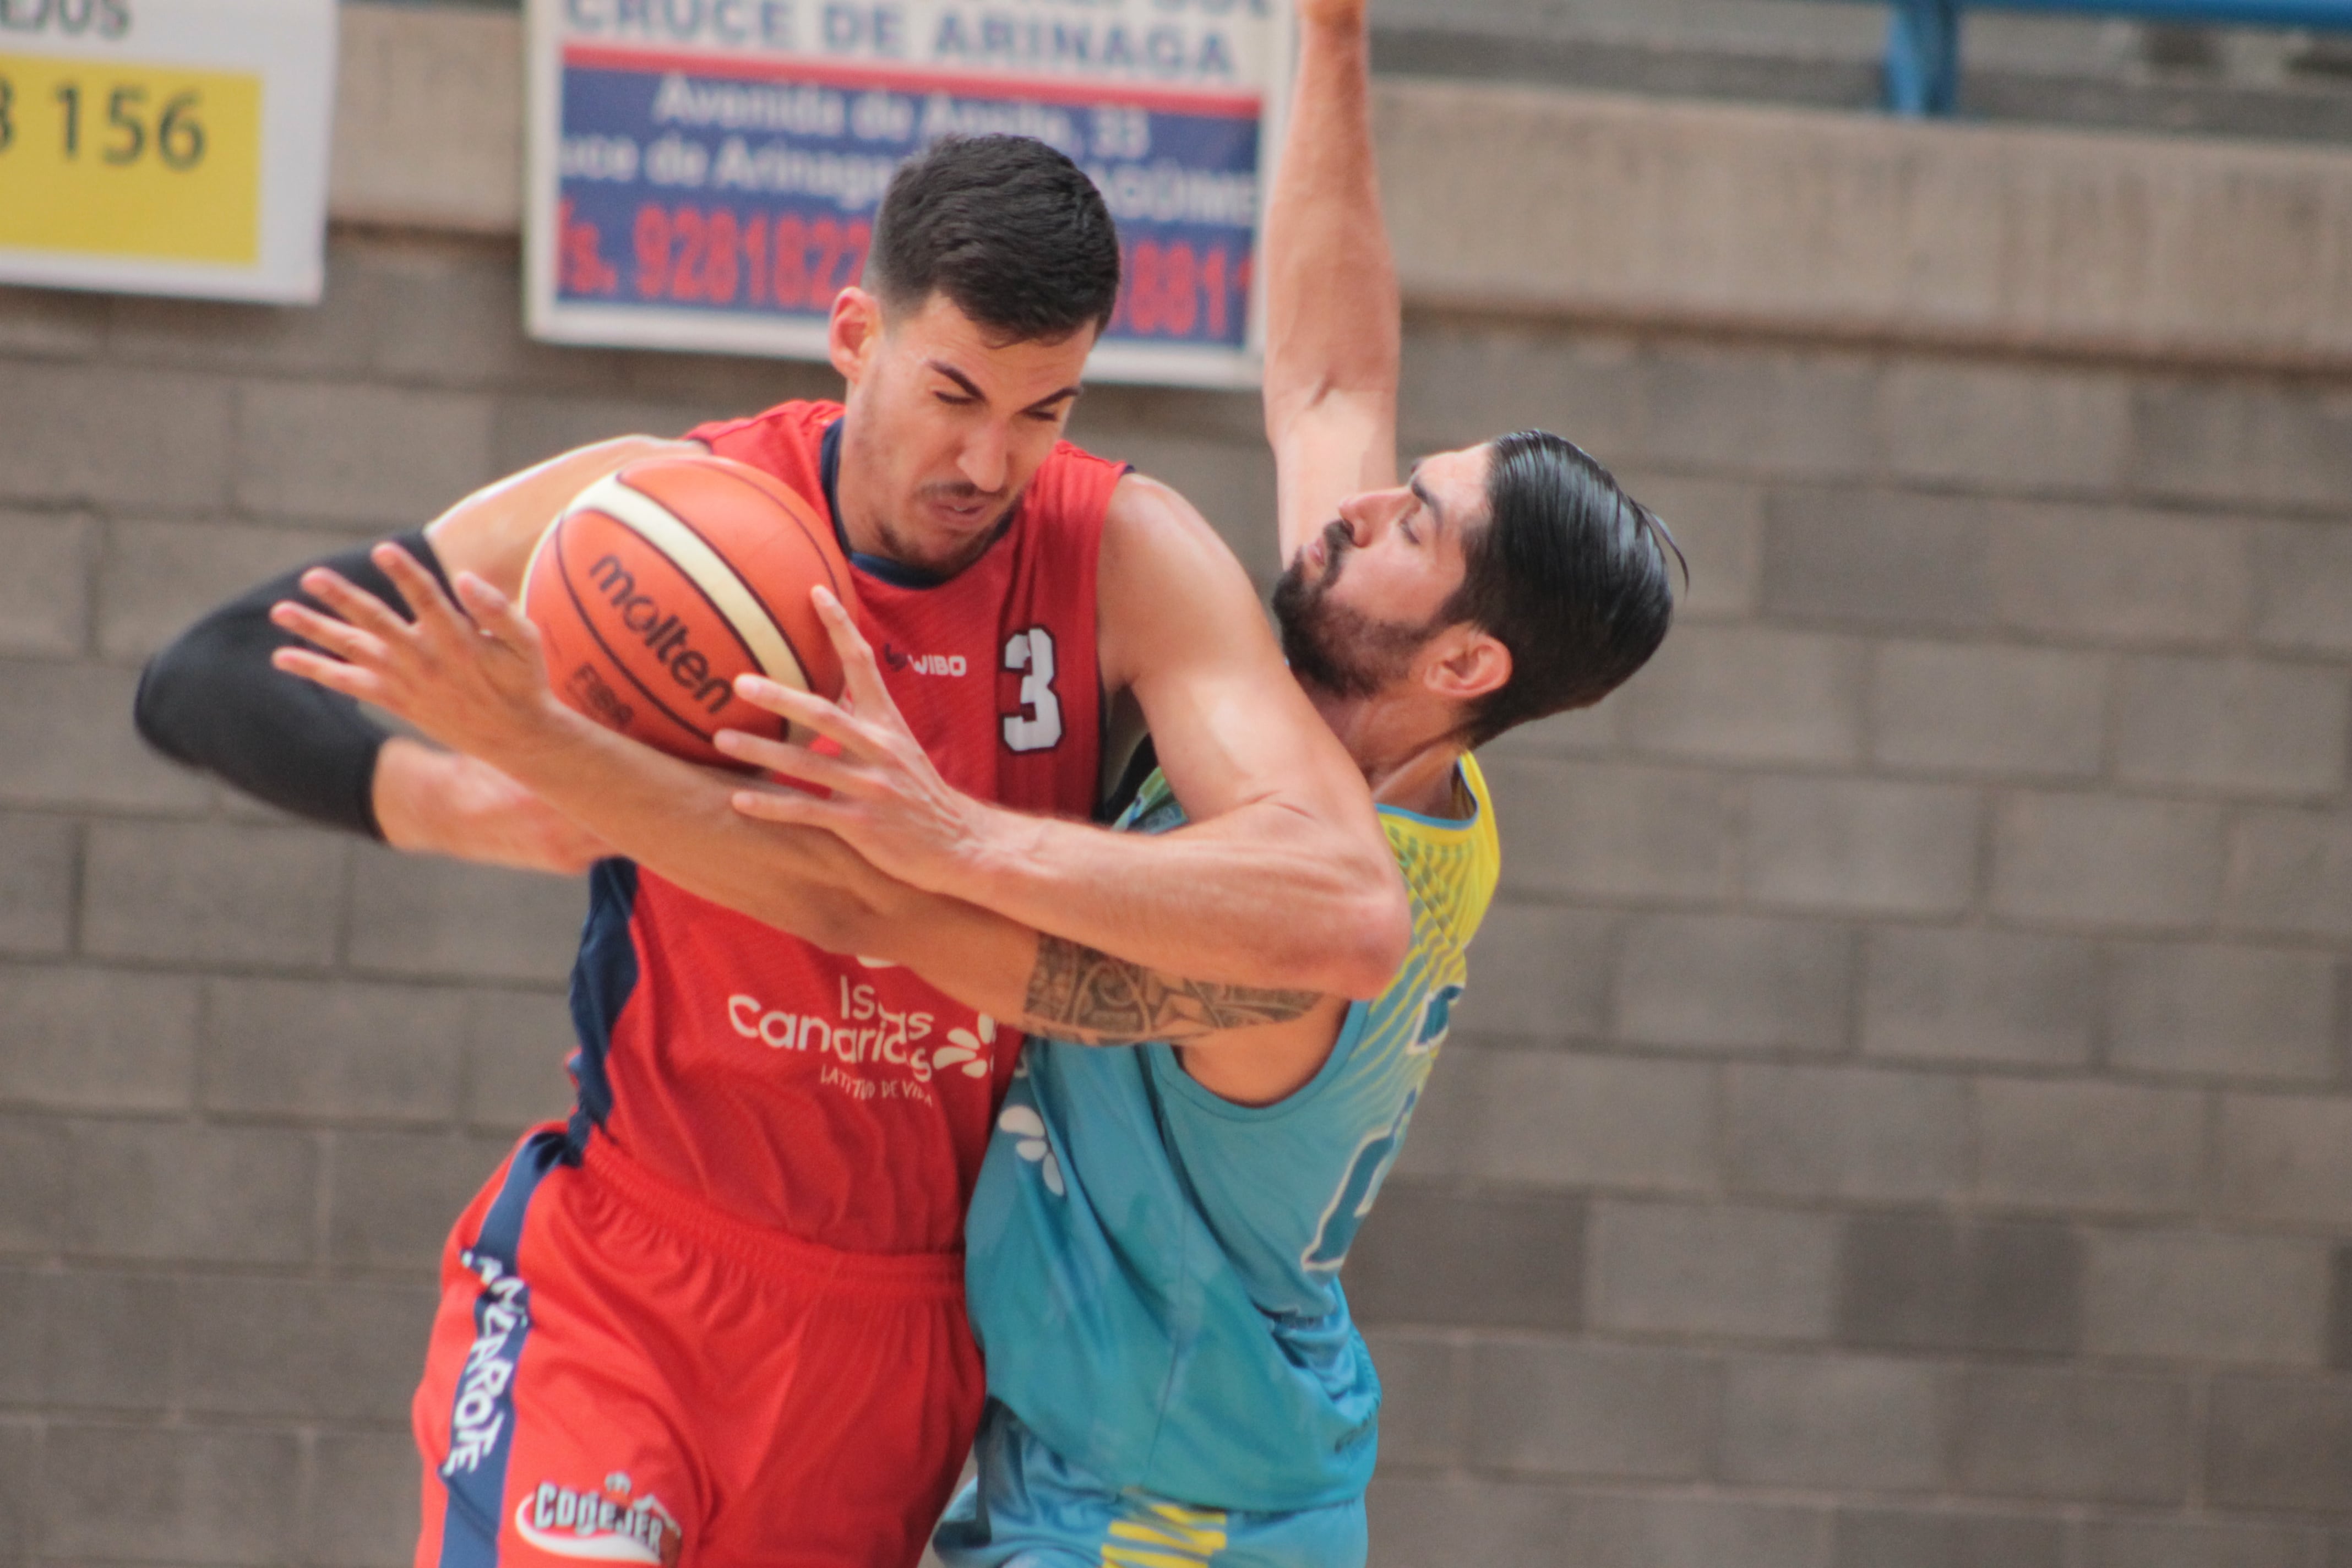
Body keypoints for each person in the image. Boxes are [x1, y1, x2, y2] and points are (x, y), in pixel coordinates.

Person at [260, 0, 1678, 1558]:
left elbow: (903, 919)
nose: (1358, 511)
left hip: (1173, 1508)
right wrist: (1328, 36)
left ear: (1467, 663)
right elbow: (1332, 379)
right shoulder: (1355, 699)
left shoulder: (1328, 915)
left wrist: (863, 817)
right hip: (1084, 1460)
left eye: (1415, 523)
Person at [133, 133, 1409, 1568]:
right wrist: (489, 804)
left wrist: (954, 834)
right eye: (953, 393)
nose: (988, 458)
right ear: (856, 335)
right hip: (629, 1275)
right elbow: (208, 672)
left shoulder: (1120, 551)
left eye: (1043, 409)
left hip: (906, 1333)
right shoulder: (654, 515)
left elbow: (1348, 904)